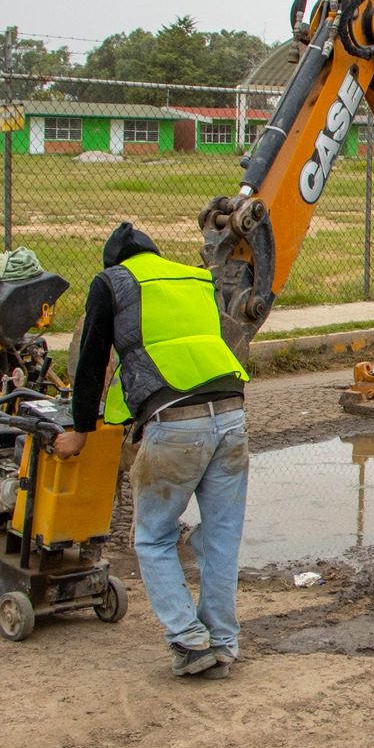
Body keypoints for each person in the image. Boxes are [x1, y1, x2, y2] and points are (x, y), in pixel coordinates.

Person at [53, 223, 250, 680]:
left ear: (115, 263)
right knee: (221, 538)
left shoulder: (113, 283)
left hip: (176, 424)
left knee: (154, 537)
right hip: (232, 416)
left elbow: (91, 359)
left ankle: (188, 639)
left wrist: (81, 431)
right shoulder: (195, 278)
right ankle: (222, 642)